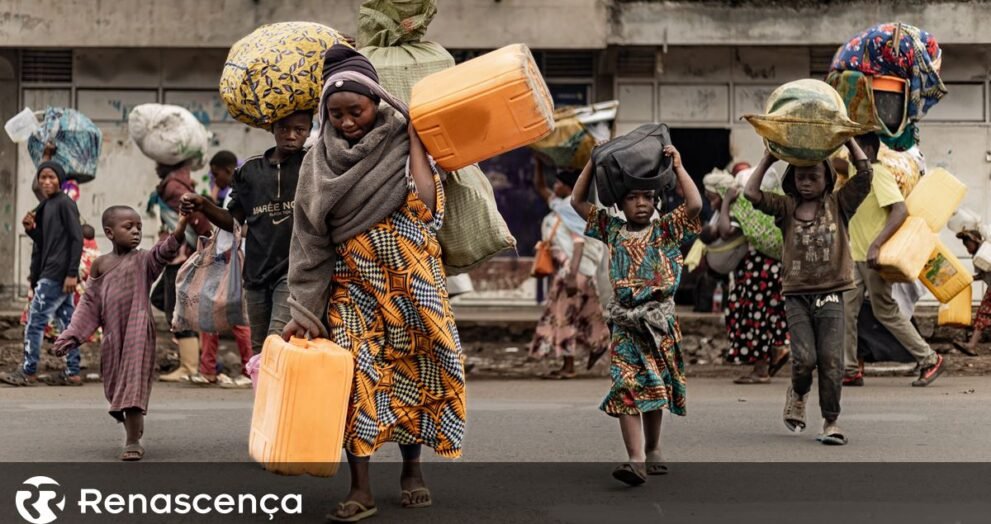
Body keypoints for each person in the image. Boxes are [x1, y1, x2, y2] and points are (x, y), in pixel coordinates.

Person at [281, 45, 465, 522]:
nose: (346, 123)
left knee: (415, 372)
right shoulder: (316, 164)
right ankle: (360, 488)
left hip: (414, 282)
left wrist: (420, 142)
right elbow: (308, 241)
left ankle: (412, 470)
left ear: (377, 101)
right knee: (357, 379)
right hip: (354, 288)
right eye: (335, 114)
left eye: (355, 111)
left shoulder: (402, 139)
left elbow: (429, 207)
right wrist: (302, 312)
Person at [571, 144, 702, 486]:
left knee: (654, 390)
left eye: (646, 197)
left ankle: (654, 447)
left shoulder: (666, 230)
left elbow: (696, 205)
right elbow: (577, 203)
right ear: (620, 202)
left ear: (656, 200)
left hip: (658, 325)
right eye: (632, 197)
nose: (640, 203)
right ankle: (636, 459)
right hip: (626, 324)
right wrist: (590, 162)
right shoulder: (612, 229)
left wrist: (679, 166)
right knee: (626, 386)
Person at [744, 141, 873, 446]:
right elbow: (751, 193)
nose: (806, 182)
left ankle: (831, 421)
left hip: (832, 293)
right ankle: (798, 392)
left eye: (813, 176)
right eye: (800, 176)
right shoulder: (786, 207)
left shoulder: (839, 204)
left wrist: (847, 140)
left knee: (831, 360)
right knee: (803, 359)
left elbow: (866, 175)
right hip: (796, 295)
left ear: (827, 179)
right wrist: (767, 158)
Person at [52, 207, 187, 461]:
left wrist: (181, 225)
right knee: (115, 386)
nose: (136, 231)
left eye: (139, 226)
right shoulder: (100, 265)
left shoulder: (145, 260)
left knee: (132, 383)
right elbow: (89, 304)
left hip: (138, 331)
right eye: (129, 227)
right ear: (109, 233)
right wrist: (70, 336)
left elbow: (166, 249)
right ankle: (131, 424)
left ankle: (133, 440)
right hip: (113, 335)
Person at [180, 114, 311, 356]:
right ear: (272, 126)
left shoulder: (313, 164)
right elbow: (234, 221)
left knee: (277, 344)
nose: (291, 135)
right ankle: (262, 394)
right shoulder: (250, 170)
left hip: (293, 272)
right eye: (284, 128)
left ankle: (281, 394)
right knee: (260, 351)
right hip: (256, 273)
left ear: (310, 129)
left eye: (299, 130)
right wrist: (204, 205)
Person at [842, 133, 945, 387]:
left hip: (873, 257)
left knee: (885, 311)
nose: (848, 153)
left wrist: (877, 244)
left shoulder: (877, 174)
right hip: (857, 257)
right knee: (846, 311)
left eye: (852, 148)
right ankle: (850, 368)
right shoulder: (859, 178)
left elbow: (900, 210)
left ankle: (930, 359)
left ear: (866, 149)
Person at [1, 154, 83, 387]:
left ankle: (28, 371)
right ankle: (73, 371)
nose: (46, 182)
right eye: (42, 177)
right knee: (67, 324)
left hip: (57, 274)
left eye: (51, 177)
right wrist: (30, 230)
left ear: (60, 180)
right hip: (50, 271)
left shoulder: (66, 203)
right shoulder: (47, 205)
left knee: (35, 322)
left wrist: (71, 273)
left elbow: (76, 239)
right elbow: (46, 241)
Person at [701, 171, 789, 384]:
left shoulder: (738, 206)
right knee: (765, 314)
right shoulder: (743, 205)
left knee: (753, 316)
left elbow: (725, 231)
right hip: (766, 267)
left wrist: (726, 203)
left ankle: (761, 369)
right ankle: (776, 351)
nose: (711, 203)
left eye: (713, 197)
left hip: (757, 269)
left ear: (722, 192)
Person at [528, 161, 609, 378]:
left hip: (571, 272)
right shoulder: (560, 206)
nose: (554, 186)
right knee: (587, 313)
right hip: (574, 273)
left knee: (564, 316)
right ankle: (598, 344)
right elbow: (540, 187)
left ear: (569, 188)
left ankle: (569, 366)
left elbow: (579, 244)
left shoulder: (572, 209)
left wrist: (572, 276)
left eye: (559, 183)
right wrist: (537, 161)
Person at [189, 151, 253, 388]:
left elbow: (243, 228)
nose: (215, 180)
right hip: (223, 259)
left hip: (233, 260)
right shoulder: (230, 196)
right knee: (210, 315)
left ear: (228, 170)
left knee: (234, 317)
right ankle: (208, 369)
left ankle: (248, 370)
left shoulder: (242, 194)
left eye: (216, 175)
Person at [154, 160, 211, 382]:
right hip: (175, 256)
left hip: (180, 256)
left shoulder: (174, 187)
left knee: (178, 311)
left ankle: (189, 366)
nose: (155, 167)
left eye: (159, 163)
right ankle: (190, 355)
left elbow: (196, 219)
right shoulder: (177, 183)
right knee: (160, 298)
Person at [952, 229, 988, 356]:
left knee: (983, 315)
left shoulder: (985, 253)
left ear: (976, 241)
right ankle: (971, 345)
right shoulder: (980, 256)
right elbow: (983, 274)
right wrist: (968, 279)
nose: (967, 248)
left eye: (968, 244)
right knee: (983, 315)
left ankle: (972, 345)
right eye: (965, 245)